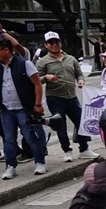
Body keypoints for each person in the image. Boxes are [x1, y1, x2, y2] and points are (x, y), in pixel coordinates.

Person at [0, 38, 47, 178]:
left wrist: (37, 104)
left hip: (24, 108)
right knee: (9, 138)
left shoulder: (25, 64)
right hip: (6, 108)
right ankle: (10, 166)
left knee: (30, 136)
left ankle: (40, 162)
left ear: (6, 50)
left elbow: (37, 84)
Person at [36, 32, 99, 162]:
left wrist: (81, 81)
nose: (55, 45)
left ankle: (84, 149)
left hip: (72, 97)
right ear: (46, 45)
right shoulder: (42, 62)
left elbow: (79, 74)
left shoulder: (71, 59)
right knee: (60, 125)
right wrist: (46, 77)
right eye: (51, 43)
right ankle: (67, 151)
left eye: (57, 42)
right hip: (55, 98)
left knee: (82, 122)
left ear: (60, 43)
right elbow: (36, 80)